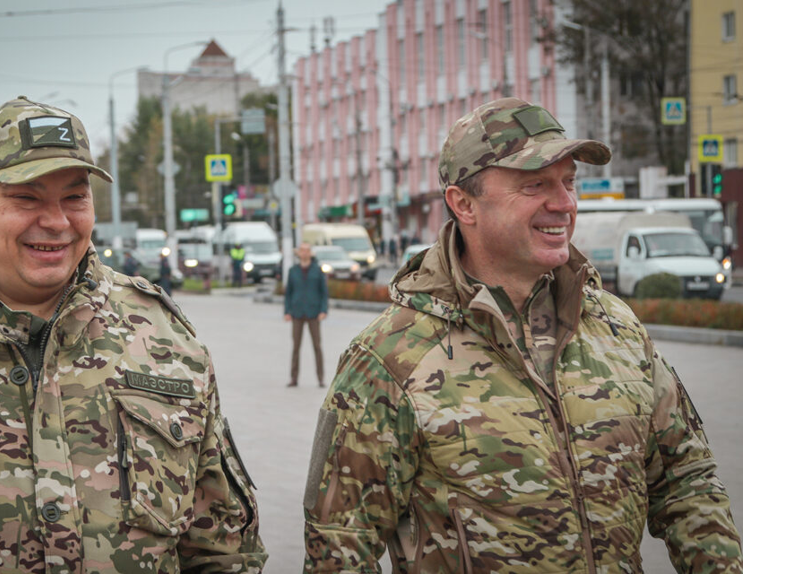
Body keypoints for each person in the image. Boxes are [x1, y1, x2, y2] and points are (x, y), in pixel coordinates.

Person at [0, 96, 266, 574]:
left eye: (74, 197)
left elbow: (222, 550)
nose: (56, 222)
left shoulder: (163, 338)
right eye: (27, 197)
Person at [302, 98, 741, 572]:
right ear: (464, 204)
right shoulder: (388, 357)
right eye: (535, 184)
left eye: (569, 182)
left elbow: (687, 481)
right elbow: (339, 548)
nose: (565, 203)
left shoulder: (618, 328)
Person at [284, 243, 328, 388]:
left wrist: (323, 310)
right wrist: (287, 311)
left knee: (317, 346)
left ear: (310, 253)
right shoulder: (293, 271)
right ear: (299, 253)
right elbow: (288, 293)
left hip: (314, 313)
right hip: (297, 313)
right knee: (296, 346)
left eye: (307, 251)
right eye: (302, 251)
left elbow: (324, 293)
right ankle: (294, 378)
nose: (304, 253)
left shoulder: (317, 270)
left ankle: (321, 378)